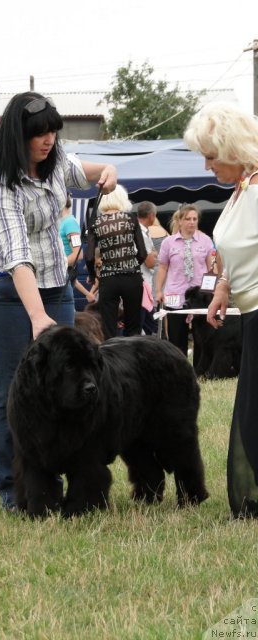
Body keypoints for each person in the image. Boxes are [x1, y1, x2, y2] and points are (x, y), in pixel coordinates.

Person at [0, 91, 117, 510]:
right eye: (39, 134)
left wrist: (108, 171)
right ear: (18, 136)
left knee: (65, 384)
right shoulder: (2, 186)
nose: (49, 140)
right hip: (6, 289)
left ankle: (60, 478)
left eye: (53, 132)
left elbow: (89, 169)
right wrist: (38, 318)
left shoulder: (58, 166)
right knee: (12, 390)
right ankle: (12, 490)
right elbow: (18, 256)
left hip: (57, 284)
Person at [184, 101, 258, 518]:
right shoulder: (241, 191)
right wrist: (223, 289)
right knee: (251, 414)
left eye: (211, 156)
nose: (208, 166)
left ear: (232, 149)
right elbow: (239, 252)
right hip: (250, 312)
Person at [155, 204, 214, 357]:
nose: (192, 222)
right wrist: (159, 290)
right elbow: (162, 267)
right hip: (175, 292)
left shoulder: (205, 240)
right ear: (180, 221)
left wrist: (211, 291)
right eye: (188, 219)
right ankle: (179, 365)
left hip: (200, 294)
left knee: (201, 335)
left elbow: (210, 269)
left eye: (194, 219)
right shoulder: (169, 242)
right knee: (176, 335)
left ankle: (200, 369)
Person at [90, 184, 147, 340]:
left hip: (109, 278)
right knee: (133, 328)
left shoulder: (95, 223)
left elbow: (89, 257)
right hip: (131, 277)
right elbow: (143, 253)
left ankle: (111, 360)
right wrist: (133, 264)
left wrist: (92, 274)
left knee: (108, 328)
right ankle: (133, 362)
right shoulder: (131, 219)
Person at [59, 193, 96, 304]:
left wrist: (55, 265)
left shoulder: (69, 222)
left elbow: (78, 255)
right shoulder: (61, 222)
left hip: (64, 272)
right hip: (64, 274)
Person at [137, 201, 158, 335]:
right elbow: (150, 262)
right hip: (143, 284)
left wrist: (154, 254)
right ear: (151, 215)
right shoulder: (142, 234)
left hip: (143, 284)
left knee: (148, 323)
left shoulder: (144, 232)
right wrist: (155, 255)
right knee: (148, 325)